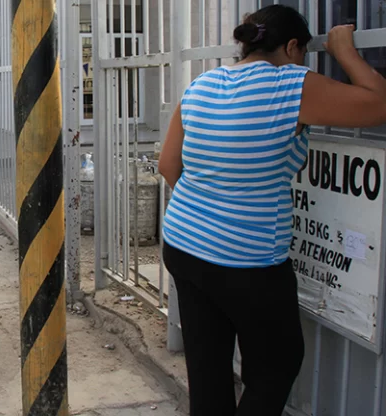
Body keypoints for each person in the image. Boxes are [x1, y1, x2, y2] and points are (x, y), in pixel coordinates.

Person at [158, 6, 386, 416]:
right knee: (277, 365)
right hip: (247, 261)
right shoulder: (291, 84)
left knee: (207, 369)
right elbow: (379, 104)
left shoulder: (203, 84)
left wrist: (209, 210)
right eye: (304, 54)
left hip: (183, 244)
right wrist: (343, 51)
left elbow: (168, 165)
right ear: (293, 47)